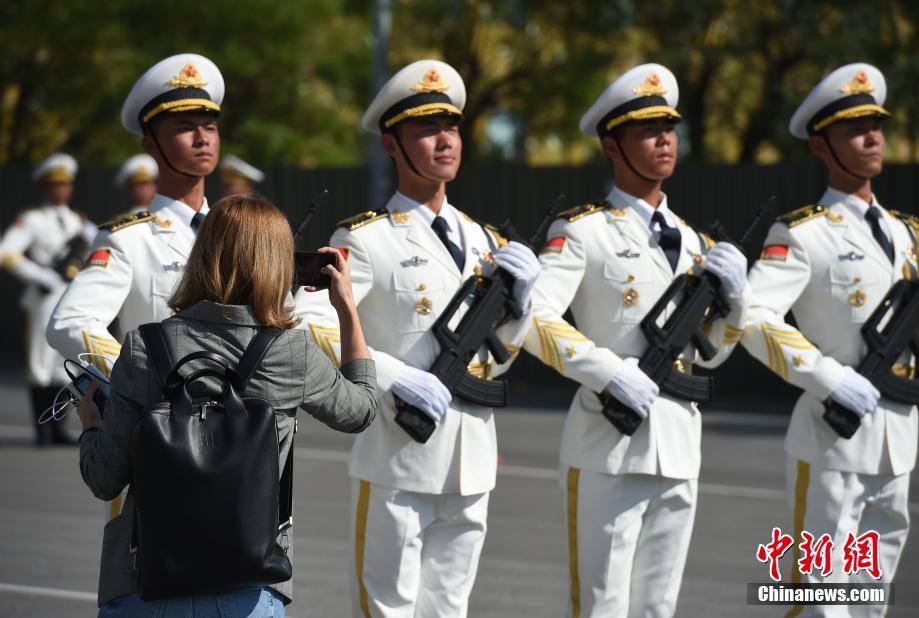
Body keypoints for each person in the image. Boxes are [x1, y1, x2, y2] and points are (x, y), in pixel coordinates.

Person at [293, 59, 540, 617]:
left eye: (450, 126)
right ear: (391, 145)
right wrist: (393, 374)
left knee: (449, 610)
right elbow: (307, 319)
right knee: (388, 609)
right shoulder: (366, 239)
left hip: (471, 458)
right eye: (426, 129)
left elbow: (497, 360)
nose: (444, 140)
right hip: (395, 458)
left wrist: (520, 306)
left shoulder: (486, 240)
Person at [75, 193, 378, 616]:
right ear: (278, 264)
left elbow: (104, 478)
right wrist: (346, 308)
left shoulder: (143, 345)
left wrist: (90, 421)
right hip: (247, 583)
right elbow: (361, 410)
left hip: (144, 580)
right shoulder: (292, 351)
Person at [521, 64, 751, 617]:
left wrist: (737, 302)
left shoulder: (698, 243)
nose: (665, 138)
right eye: (648, 130)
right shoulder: (582, 230)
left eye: (669, 127)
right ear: (612, 145)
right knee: (601, 607)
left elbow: (711, 350)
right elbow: (531, 318)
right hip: (607, 447)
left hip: (677, 447)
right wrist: (607, 370)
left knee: (658, 608)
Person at [741, 63, 919, 618]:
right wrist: (829, 377)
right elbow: (752, 317)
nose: (873, 138)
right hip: (832, 441)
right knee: (819, 600)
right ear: (820, 146)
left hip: (897, 441)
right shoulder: (803, 234)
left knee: (871, 602)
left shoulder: (910, 235)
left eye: (877, 125)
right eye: (854, 129)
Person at [47, 52, 223, 517]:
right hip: (158, 439)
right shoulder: (129, 238)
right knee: (148, 586)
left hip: (237, 444)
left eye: (209, 123)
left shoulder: (238, 232)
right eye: (185, 126)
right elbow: (69, 322)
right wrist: (136, 384)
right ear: (150, 143)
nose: (203, 136)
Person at [0, 153, 96, 446]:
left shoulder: (79, 222)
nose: (61, 190)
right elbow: (6, 253)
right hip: (43, 300)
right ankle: (42, 430)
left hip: (70, 300)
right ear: (44, 187)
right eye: (55, 184)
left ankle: (58, 428)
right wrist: (40, 276)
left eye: (65, 184)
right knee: (40, 365)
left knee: (64, 366)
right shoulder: (32, 220)